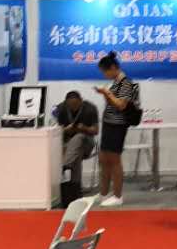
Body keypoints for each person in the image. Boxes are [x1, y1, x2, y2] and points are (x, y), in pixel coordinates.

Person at [94, 51, 140, 207]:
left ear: (113, 68)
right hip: (109, 124)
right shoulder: (115, 83)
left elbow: (121, 105)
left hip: (118, 125)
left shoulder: (126, 83)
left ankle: (118, 195)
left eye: (105, 72)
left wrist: (107, 93)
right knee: (104, 159)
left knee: (114, 160)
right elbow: (113, 103)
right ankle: (104, 193)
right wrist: (105, 94)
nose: (104, 75)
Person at [52, 89, 99, 193]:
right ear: (66, 103)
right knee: (77, 153)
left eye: (76, 105)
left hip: (87, 142)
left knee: (79, 137)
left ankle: (64, 166)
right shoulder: (61, 108)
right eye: (70, 106)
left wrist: (85, 128)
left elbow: (96, 130)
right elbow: (56, 131)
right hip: (69, 145)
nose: (73, 108)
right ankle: (75, 190)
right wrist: (65, 130)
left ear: (81, 100)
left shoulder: (90, 108)